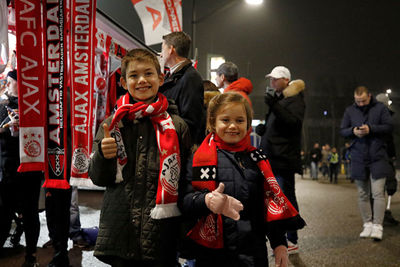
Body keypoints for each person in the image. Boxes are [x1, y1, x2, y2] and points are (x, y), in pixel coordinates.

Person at [89, 48, 190, 266]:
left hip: (161, 233)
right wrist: (103, 156)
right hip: (119, 230)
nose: (142, 80)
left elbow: (184, 181)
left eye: (148, 74)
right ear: (124, 83)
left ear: (160, 79)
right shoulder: (112, 124)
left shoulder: (177, 126)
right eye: (134, 76)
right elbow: (98, 179)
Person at [178, 92, 305, 267]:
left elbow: (269, 205)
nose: (233, 126)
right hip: (212, 255)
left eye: (239, 120)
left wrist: (279, 243)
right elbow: (185, 202)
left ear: (248, 124)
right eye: (225, 120)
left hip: (252, 252)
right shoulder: (197, 158)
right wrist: (206, 200)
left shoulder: (258, 159)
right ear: (213, 123)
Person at [256, 66, 305, 253]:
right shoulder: (282, 98)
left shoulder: (294, 99)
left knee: (286, 198)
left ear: (286, 80)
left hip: (283, 158)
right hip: (275, 156)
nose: (272, 82)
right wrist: (264, 128)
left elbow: (293, 123)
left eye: (276, 79)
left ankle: (292, 239)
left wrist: (274, 107)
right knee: (278, 198)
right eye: (271, 79)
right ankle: (283, 237)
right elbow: (279, 125)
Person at [0, 69, 42, 267]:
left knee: (30, 212)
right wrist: (7, 127)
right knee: (3, 212)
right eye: (7, 80)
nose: (7, 83)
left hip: (29, 167)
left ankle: (31, 256)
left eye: (11, 80)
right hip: (6, 167)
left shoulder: (34, 105)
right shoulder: (2, 104)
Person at [340, 86, 393, 241]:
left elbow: (389, 127)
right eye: (358, 101)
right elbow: (342, 130)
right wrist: (353, 131)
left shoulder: (380, 108)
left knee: (377, 193)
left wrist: (371, 129)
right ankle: (367, 224)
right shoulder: (350, 110)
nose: (361, 104)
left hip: (377, 156)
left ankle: (378, 226)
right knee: (363, 194)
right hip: (358, 156)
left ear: (369, 96)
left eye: (363, 100)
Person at [159, 31, 204, 144]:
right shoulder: (176, 76)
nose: (160, 54)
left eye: (162, 48)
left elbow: (191, 121)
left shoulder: (190, 77)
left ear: (171, 50)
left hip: (178, 148)